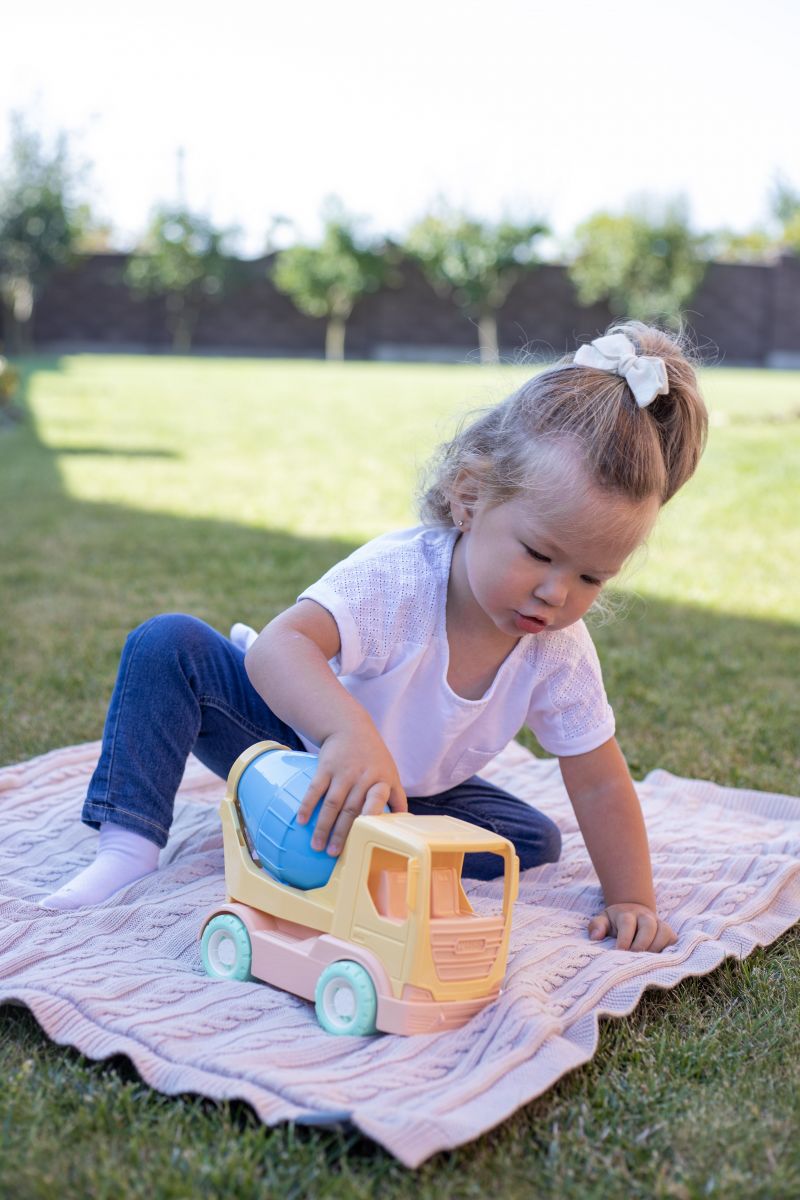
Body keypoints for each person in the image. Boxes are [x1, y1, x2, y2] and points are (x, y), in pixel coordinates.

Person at [42, 322, 707, 954]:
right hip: (286, 740)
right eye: (538, 553)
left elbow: (597, 781)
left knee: (531, 841)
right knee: (167, 644)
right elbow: (282, 647)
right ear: (469, 497)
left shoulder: (556, 647)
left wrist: (633, 900)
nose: (556, 594)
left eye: (591, 576)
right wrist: (346, 735)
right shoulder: (401, 581)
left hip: (406, 792)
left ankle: (361, 838)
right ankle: (127, 848)